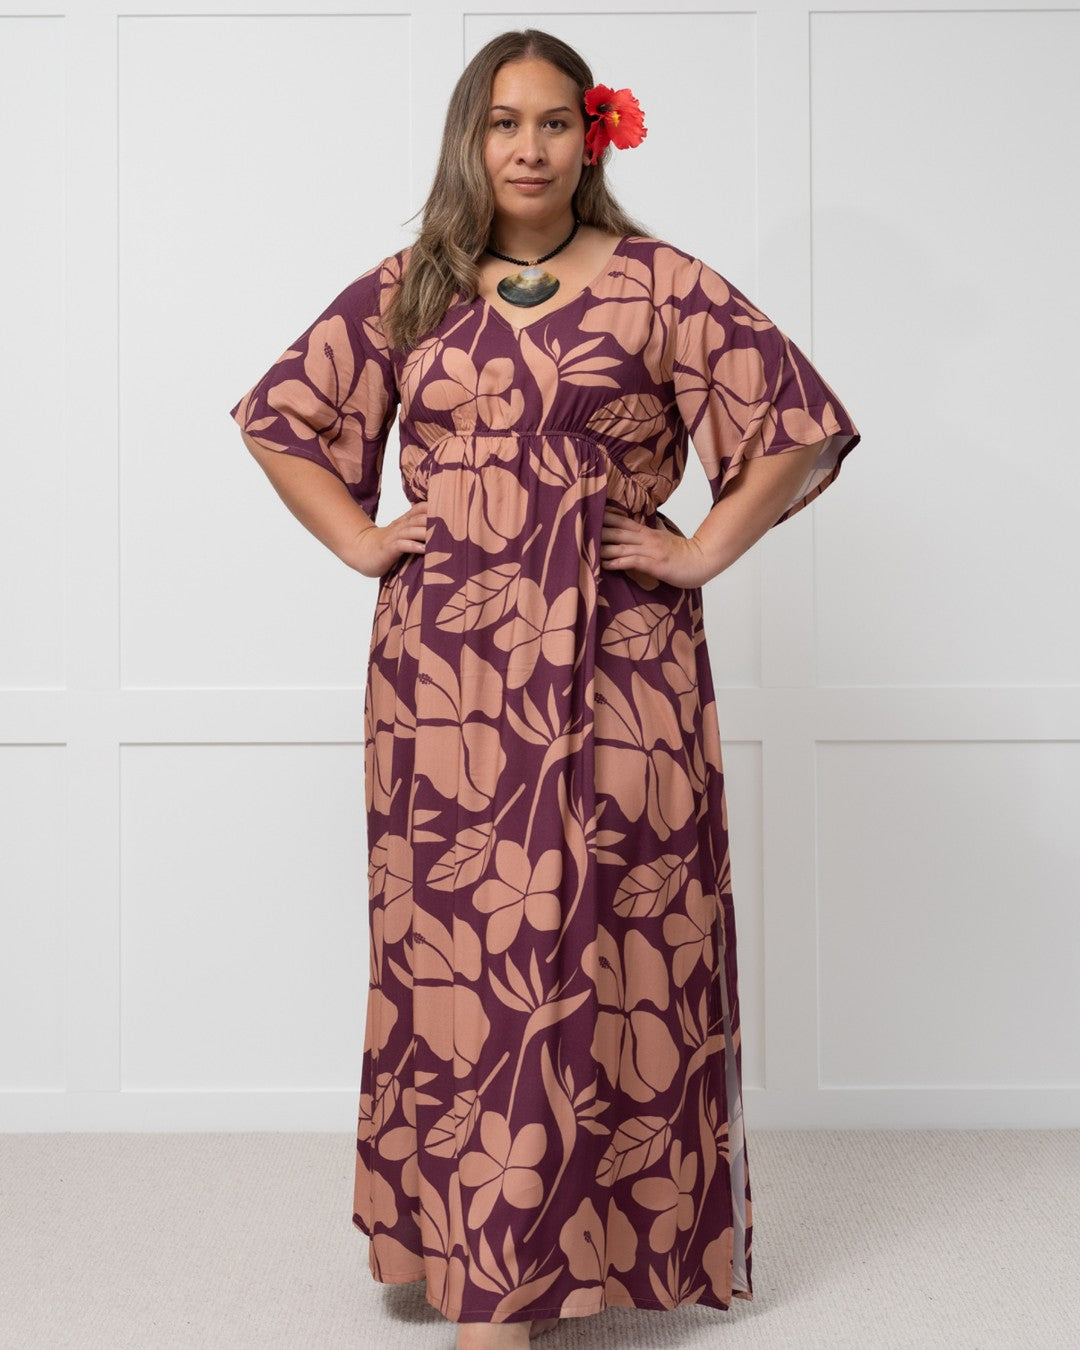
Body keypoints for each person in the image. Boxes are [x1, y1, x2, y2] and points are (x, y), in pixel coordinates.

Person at [228, 27, 860, 1350]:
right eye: (504, 123)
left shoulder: (661, 285)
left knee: (605, 940)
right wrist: (356, 539)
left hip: (621, 663)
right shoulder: (412, 288)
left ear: (596, 136)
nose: (529, 147)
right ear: (472, 138)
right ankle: (485, 1266)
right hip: (446, 679)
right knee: (461, 962)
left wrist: (696, 550)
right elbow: (283, 414)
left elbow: (795, 426)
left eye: (555, 123)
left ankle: (546, 1270)